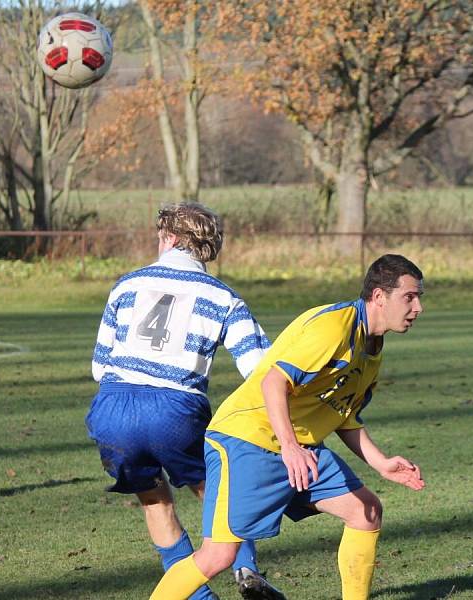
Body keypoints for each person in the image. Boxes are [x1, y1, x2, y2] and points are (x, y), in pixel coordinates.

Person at [149, 254, 427, 600]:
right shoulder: (334, 327)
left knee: (365, 511)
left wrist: (380, 462)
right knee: (219, 554)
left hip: (297, 446)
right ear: (379, 297)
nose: (417, 308)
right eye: (409, 297)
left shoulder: (371, 349)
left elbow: (343, 414)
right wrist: (291, 447)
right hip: (248, 439)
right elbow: (273, 383)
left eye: (419, 298)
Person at [87, 202, 286, 600]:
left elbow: (99, 366)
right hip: (175, 410)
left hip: (112, 408)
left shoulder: (126, 284)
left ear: (171, 239)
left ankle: (196, 597)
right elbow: (260, 369)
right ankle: (247, 570)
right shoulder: (222, 296)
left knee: (154, 498)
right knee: (217, 490)